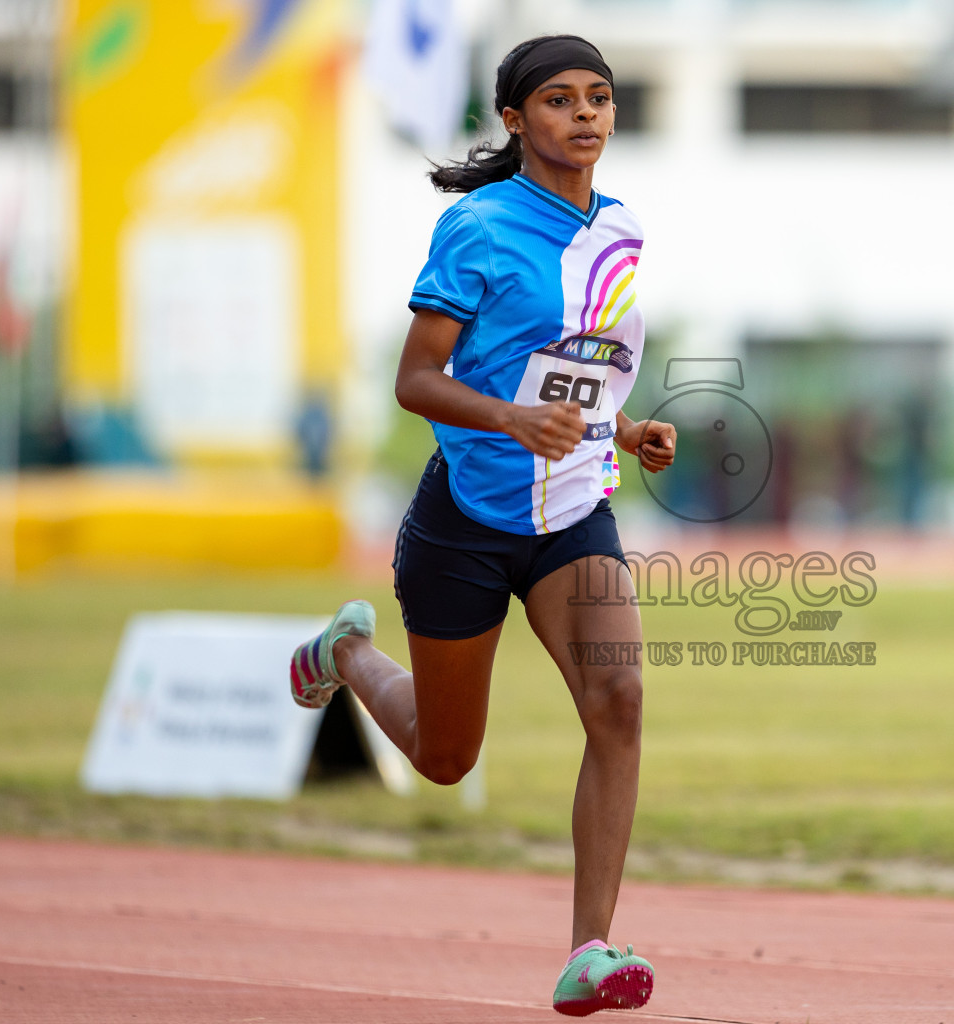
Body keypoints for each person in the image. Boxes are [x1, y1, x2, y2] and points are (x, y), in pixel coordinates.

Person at [288, 35, 676, 1017]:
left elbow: (573, 370)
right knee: (445, 755)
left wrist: (628, 429)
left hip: (574, 510)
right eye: (559, 99)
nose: (585, 115)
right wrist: (508, 419)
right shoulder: (479, 228)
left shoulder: (622, 230)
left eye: (600, 98)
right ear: (514, 118)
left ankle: (591, 948)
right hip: (468, 518)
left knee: (620, 701)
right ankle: (346, 655)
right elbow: (416, 379)